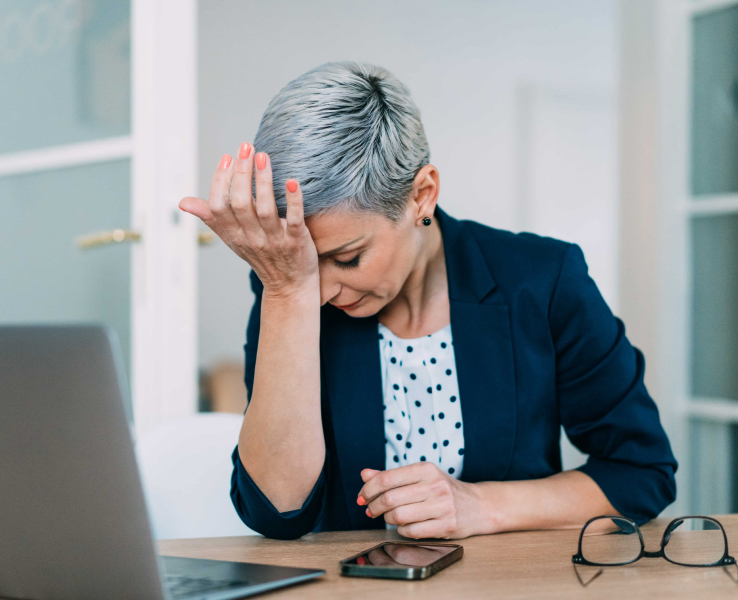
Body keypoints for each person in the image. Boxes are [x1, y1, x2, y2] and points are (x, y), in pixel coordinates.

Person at [179, 61, 676, 541]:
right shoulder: (291, 288)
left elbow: (641, 471)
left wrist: (481, 506)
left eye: (347, 258)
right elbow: (277, 513)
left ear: (422, 194)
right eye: (307, 266)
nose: (323, 291)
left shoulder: (542, 279)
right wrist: (287, 293)